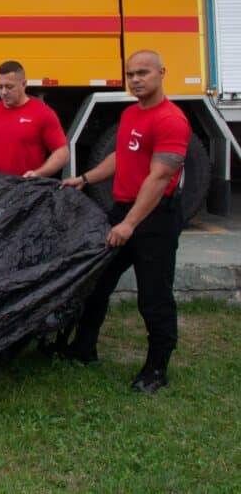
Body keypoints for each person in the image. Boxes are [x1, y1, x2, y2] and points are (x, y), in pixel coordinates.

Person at [60, 49, 191, 394]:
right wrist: (85, 179)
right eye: (131, 74)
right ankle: (83, 349)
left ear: (162, 72)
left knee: (154, 297)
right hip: (123, 214)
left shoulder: (171, 120)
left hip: (154, 220)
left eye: (143, 73)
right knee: (95, 284)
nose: (135, 80)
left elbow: (159, 178)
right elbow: (122, 156)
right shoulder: (132, 114)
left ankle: (156, 369)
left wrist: (129, 225)